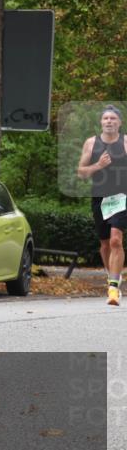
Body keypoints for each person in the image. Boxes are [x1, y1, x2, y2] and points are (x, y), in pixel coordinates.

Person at [76, 105, 127, 306]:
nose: (109, 121)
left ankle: (113, 288)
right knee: (105, 244)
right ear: (101, 122)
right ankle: (112, 277)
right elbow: (81, 173)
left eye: (113, 118)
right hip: (99, 198)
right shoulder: (91, 143)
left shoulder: (125, 142)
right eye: (105, 118)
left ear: (120, 123)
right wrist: (98, 165)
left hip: (122, 197)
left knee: (116, 240)